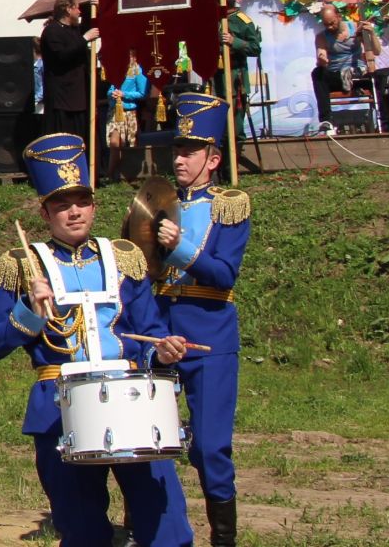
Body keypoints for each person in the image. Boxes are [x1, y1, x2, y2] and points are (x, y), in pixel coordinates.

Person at [0, 133, 192, 547]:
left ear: (94, 205)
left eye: (82, 202)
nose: (74, 212)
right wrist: (27, 313)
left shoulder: (125, 256)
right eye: (62, 204)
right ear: (45, 211)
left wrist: (161, 351)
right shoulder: (23, 264)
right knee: (82, 528)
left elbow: (149, 330)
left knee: (164, 520)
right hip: (60, 406)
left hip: (131, 402)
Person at [156, 93, 252, 547]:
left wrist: (179, 249)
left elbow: (223, 274)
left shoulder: (229, 205)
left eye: (189, 151)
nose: (179, 158)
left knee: (211, 448)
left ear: (212, 159)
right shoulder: (155, 204)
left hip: (210, 332)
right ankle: (154, 530)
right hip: (159, 332)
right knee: (148, 441)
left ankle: (223, 540)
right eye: (177, 149)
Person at [310, 2, 379, 132]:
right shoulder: (321, 37)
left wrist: (372, 34)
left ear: (339, 16)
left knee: (379, 77)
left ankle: (386, 120)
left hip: (358, 75)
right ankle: (326, 120)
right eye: (326, 24)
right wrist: (322, 60)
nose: (330, 27)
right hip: (337, 77)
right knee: (317, 73)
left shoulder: (355, 28)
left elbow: (377, 51)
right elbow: (322, 54)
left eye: (332, 23)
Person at [40, 0, 99, 141]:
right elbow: (62, 55)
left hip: (79, 95)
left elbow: (92, 27)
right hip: (62, 98)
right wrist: (84, 39)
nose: (79, 12)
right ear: (67, 9)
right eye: (77, 8)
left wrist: (95, 6)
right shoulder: (52, 31)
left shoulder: (74, 30)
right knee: (64, 139)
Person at [218, 0, 262, 138]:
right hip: (215, 80)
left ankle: (234, 155)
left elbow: (255, 49)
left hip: (234, 77)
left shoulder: (241, 20)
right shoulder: (211, 19)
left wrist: (233, 41)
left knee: (234, 126)